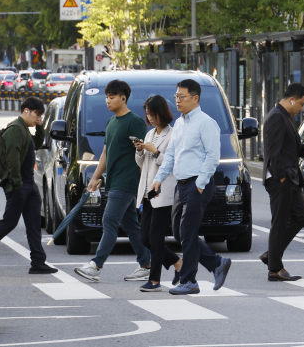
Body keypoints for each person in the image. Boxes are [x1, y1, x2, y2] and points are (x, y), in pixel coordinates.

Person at [151, 79, 232, 295]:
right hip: (181, 183)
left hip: (198, 184)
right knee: (179, 232)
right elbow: (171, 154)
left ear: (195, 98)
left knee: (187, 231)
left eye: (182, 97)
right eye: (176, 96)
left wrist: (200, 183)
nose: (177, 100)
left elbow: (213, 156)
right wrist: (159, 178)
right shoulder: (180, 123)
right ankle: (216, 263)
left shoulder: (206, 123)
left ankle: (189, 281)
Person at [75, 80, 153, 283]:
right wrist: (95, 177)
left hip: (127, 181)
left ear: (123, 98)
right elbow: (105, 153)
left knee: (109, 221)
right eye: (106, 97)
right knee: (131, 225)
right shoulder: (111, 122)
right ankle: (146, 265)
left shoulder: (134, 122)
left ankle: (95, 266)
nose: (108, 101)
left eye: (112, 97)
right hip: (114, 180)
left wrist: (147, 182)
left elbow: (144, 152)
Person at [0, 98, 56, 275]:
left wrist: (39, 126)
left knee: (33, 224)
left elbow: (36, 145)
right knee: (8, 223)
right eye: (37, 115)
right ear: (26, 111)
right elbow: (12, 159)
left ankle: (38, 262)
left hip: (29, 185)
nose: (38, 118)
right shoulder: (16, 129)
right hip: (19, 185)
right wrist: (17, 184)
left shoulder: (24, 129)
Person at [261, 84, 304, 281]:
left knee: (300, 216)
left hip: (290, 178)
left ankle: (272, 254)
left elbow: (288, 147)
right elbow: (273, 151)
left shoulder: (284, 116)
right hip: (282, 180)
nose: (302, 108)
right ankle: (275, 269)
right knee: (279, 222)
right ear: (292, 99)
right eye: (302, 104)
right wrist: (281, 175)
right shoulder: (277, 117)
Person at [133, 95, 183, 291]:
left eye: (152, 113)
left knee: (155, 238)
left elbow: (173, 164)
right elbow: (142, 164)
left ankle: (154, 280)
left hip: (163, 191)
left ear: (161, 112)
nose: (149, 117)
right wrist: (139, 151)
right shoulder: (149, 134)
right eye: (147, 113)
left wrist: (154, 152)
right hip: (147, 191)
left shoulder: (173, 135)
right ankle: (178, 264)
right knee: (145, 238)